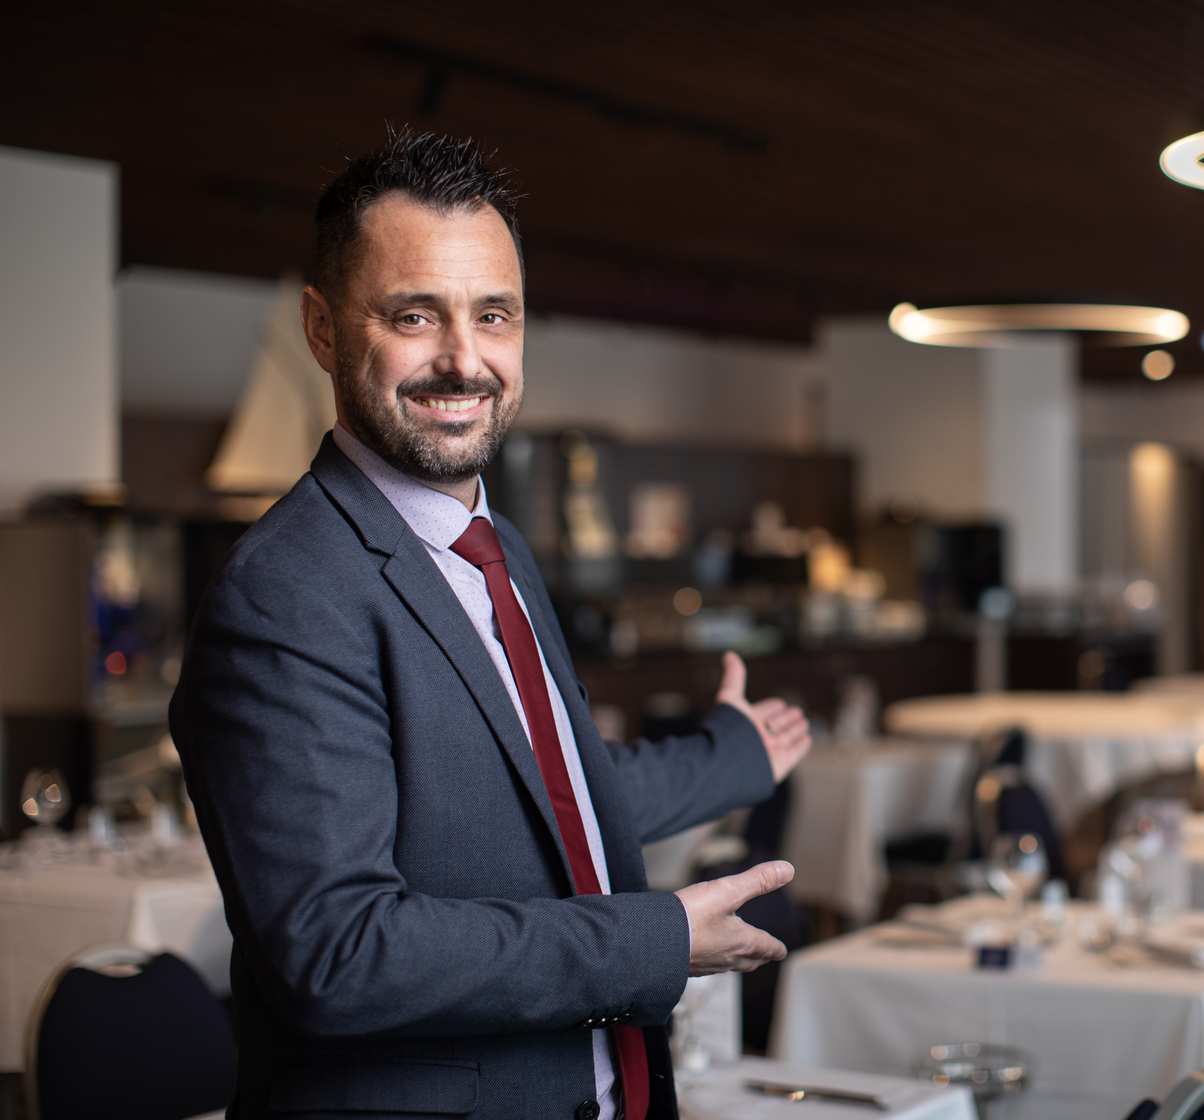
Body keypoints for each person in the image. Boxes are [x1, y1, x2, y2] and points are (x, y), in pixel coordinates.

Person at [169, 127, 811, 1120]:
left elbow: (540, 795)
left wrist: (734, 755)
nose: (464, 359)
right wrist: (658, 941)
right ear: (324, 328)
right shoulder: (287, 593)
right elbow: (338, 953)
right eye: (415, 315)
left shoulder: (493, 542)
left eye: (494, 315)